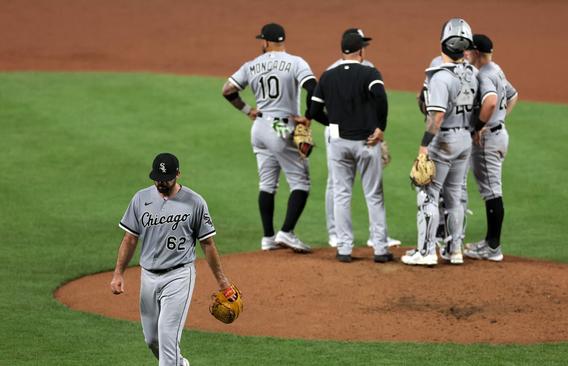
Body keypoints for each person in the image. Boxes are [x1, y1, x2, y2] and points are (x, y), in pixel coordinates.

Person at [110, 153, 234, 366]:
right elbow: (130, 239)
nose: (160, 183)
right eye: (157, 178)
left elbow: (207, 243)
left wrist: (223, 282)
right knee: (152, 340)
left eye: (165, 179)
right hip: (148, 276)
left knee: (168, 338)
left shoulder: (195, 202)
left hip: (179, 276)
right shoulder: (141, 198)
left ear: (178, 174)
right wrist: (118, 273)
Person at [222, 23, 317, 253]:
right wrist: (308, 117)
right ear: (282, 41)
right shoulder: (296, 62)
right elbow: (313, 88)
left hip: (260, 126)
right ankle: (287, 232)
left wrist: (247, 110)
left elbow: (227, 90)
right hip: (282, 126)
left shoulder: (252, 65)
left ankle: (267, 237)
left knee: (267, 184)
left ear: (265, 42)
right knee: (300, 182)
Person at [309, 31, 393, 263]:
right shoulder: (370, 72)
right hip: (366, 142)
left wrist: (333, 123)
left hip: (338, 143)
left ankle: (344, 249)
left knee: (341, 194)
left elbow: (313, 110)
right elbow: (380, 97)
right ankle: (380, 249)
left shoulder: (327, 76)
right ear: (361, 51)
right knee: (374, 196)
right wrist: (380, 126)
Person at [401, 18, 477, 266]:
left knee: (428, 194)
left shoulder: (441, 78)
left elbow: (437, 116)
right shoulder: (472, 73)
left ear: (443, 43)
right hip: (465, 138)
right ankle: (455, 250)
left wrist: (424, 146)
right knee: (455, 196)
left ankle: (425, 252)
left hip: (444, 140)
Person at [463, 34, 519, 261]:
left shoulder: (485, 74)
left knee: (492, 192)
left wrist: (479, 126)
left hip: (489, 140)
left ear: (476, 52)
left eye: (469, 51)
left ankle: (493, 247)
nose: (467, 54)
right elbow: (513, 96)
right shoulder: (497, 69)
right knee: (492, 190)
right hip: (498, 134)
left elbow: (492, 102)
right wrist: (499, 120)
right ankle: (490, 244)